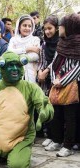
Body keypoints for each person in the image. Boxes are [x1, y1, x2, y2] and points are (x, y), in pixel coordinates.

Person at [44, 13, 80, 157]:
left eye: (62, 26)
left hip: (72, 84)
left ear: (71, 27)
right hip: (57, 82)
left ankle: (68, 145)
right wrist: (54, 78)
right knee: (55, 114)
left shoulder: (78, 43)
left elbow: (77, 67)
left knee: (70, 117)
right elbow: (54, 62)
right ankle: (57, 140)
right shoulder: (61, 42)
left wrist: (63, 81)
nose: (60, 28)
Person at [37, 16, 59, 147]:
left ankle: (56, 137)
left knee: (56, 109)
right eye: (45, 29)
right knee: (47, 107)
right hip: (45, 80)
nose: (47, 32)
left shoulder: (61, 43)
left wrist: (46, 71)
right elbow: (41, 60)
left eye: (50, 28)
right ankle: (49, 135)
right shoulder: (44, 44)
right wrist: (40, 71)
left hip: (56, 79)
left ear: (56, 28)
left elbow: (57, 60)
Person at [8, 14, 40, 83]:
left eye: (29, 26)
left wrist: (17, 54)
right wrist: (27, 49)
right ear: (19, 27)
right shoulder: (13, 40)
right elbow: (10, 53)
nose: (27, 28)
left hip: (31, 75)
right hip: (15, 72)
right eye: (24, 25)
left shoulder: (35, 39)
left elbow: (35, 56)